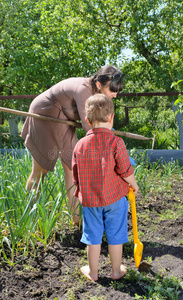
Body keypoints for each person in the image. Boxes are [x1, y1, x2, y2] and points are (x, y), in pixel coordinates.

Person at [21, 65, 125, 224]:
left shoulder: (96, 95)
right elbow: (89, 127)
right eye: (112, 90)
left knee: (72, 167)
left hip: (63, 119)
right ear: (99, 85)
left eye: (117, 90)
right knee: (40, 171)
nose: (115, 95)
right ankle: (29, 216)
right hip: (44, 115)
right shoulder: (84, 90)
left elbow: (100, 123)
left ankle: (76, 218)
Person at [72, 94, 139, 281]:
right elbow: (125, 170)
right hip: (115, 198)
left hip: (91, 201)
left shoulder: (80, 145)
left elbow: (75, 174)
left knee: (92, 235)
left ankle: (93, 273)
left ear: (87, 120)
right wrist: (134, 185)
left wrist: (80, 192)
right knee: (115, 234)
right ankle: (116, 271)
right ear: (112, 117)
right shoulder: (116, 142)